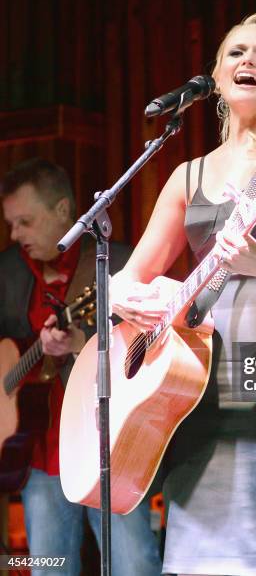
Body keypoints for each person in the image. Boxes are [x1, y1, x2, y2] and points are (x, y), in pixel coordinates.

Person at [110, 12, 256, 576]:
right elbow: (126, 277)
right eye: (236, 52)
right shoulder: (187, 175)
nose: (248, 61)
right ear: (215, 76)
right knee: (192, 539)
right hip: (193, 366)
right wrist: (125, 301)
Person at [0, 158, 162, 576]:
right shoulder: (8, 272)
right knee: (47, 568)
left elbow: (152, 349)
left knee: (135, 565)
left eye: (25, 222)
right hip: (40, 458)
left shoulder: (122, 265)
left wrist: (82, 343)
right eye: (11, 224)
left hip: (109, 449)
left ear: (62, 211)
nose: (15, 235)